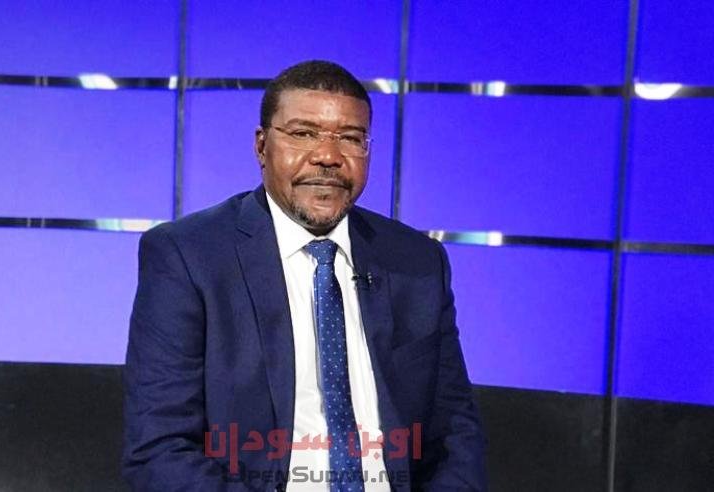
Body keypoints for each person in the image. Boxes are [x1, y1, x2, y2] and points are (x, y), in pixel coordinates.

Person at [122, 60, 486, 491]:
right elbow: (159, 450)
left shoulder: (418, 261)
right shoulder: (189, 256)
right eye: (303, 133)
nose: (328, 156)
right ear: (262, 147)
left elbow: (455, 438)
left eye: (350, 138)